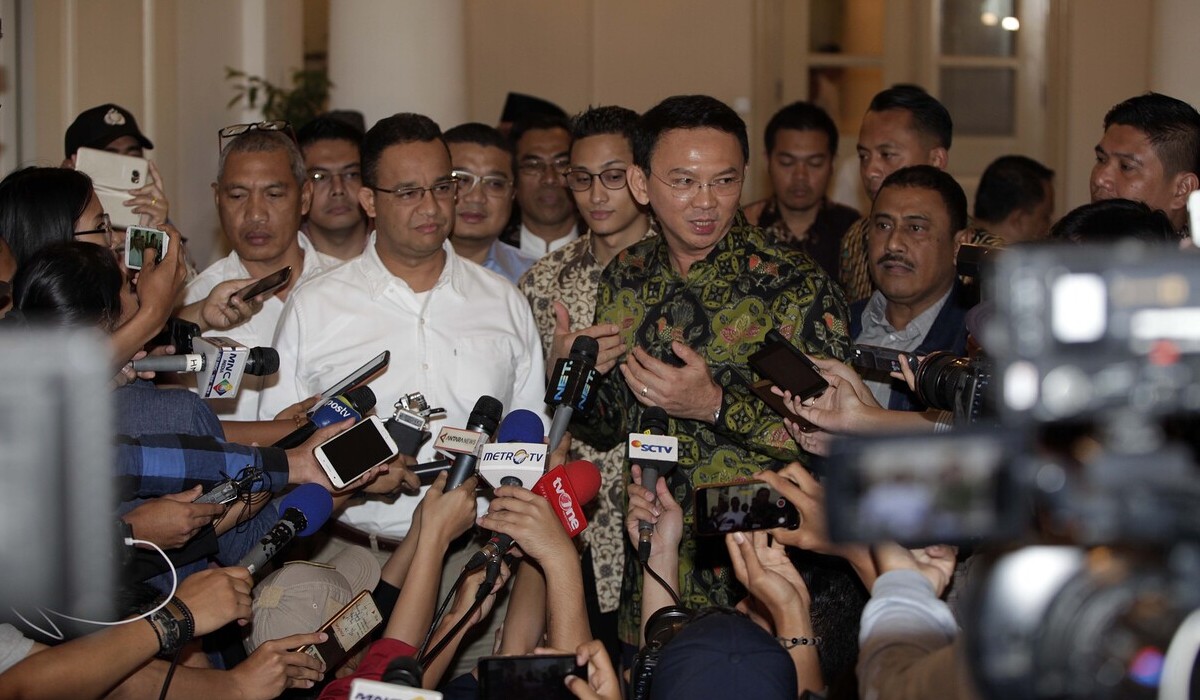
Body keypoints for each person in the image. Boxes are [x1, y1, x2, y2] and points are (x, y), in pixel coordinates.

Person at [257, 114, 545, 677]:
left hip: (475, 560)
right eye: (409, 192)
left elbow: (528, 441)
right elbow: (283, 447)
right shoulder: (318, 306)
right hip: (349, 558)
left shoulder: (502, 301)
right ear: (368, 199)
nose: (433, 207)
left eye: (443, 186)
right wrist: (358, 474)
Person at [566, 94, 850, 645]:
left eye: (724, 181)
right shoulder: (626, 276)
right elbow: (604, 428)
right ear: (642, 185)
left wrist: (713, 405)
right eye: (684, 181)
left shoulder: (793, 286)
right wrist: (577, 375)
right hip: (650, 569)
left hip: (760, 584)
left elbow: (831, 440)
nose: (706, 202)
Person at [518, 104, 653, 655]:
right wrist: (557, 375)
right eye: (582, 178)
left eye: (613, 177)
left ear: (642, 178)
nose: (596, 194)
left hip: (660, 509)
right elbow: (523, 413)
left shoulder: (680, 276)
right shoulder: (543, 282)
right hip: (574, 511)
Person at [184, 126, 341, 421]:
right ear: (217, 198)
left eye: (274, 194)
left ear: (305, 197)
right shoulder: (195, 304)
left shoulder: (347, 286)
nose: (255, 214)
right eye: (238, 195)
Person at [839, 86, 1003, 302]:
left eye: (887, 155)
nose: (870, 171)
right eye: (863, 156)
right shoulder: (856, 239)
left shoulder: (989, 257)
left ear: (936, 160)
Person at [850, 165, 972, 410]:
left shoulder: (976, 344)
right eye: (883, 226)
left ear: (959, 245)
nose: (893, 244)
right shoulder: (834, 322)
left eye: (915, 228)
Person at [743, 100, 859, 278]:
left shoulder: (853, 231)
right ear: (768, 161)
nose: (800, 176)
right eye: (787, 163)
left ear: (831, 164)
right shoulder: (745, 226)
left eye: (814, 163)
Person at [1090, 92, 1200, 238]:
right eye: (1101, 159)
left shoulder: (1187, 260)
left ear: (1182, 189)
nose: (1100, 179)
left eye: (1126, 166)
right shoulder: (1072, 246)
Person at [443, 122, 537, 284]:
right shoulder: (395, 273)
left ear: (513, 195)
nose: (476, 197)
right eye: (462, 179)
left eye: (495, 183)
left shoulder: (538, 279)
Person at [62, 103, 171, 231]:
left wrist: (152, 230)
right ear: (71, 165)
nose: (125, 166)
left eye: (134, 155)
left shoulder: (150, 212)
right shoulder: (55, 226)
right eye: (112, 159)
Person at [501, 114, 581, 257]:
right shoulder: (491, 257)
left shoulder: (607, 254)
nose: (549, 179)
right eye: (533, 165)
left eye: (561, 163)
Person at [297, 116, 371, 260]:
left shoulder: (396, 252)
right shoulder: (285, 264)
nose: (338, 190)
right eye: (320, 177)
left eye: (351, 174)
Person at [973, 155, 1055, 245]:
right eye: (1045, 217)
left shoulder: (957, 246)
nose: (1048, 227)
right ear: (1018, 220)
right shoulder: (998, 257)